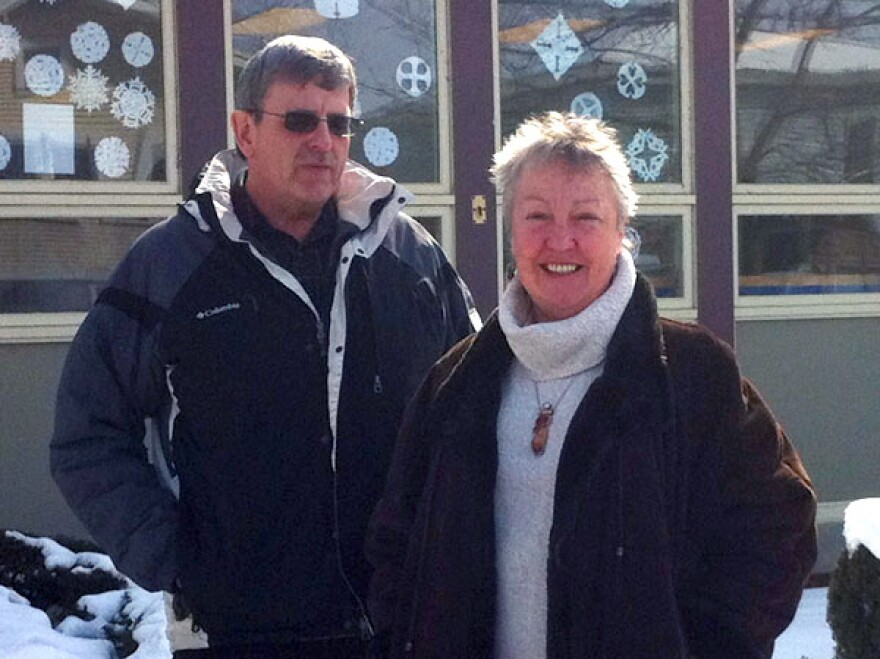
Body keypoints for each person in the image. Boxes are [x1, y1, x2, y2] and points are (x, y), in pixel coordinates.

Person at [50, 35, 477, 658]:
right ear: (245, 131)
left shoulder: (407, 257)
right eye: (300, 120)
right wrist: (175, 560)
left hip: (401, 625)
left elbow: (472, 408)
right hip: (241, 633)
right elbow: (87, 435)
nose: (323, 141)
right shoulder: (172, 264)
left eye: (340, 123)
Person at [366, 112, 817, 659]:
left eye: (586, 216)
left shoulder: (691, 375)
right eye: (537, 216)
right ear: (511, 231)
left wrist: (703, 643)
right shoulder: (457, 384)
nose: (561, 239)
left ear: (622, 230)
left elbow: (778, 527)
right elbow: (395, 541)